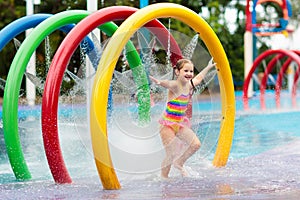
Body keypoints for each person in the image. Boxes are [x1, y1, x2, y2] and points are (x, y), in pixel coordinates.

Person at [149, 58, 216, 178]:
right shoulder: (175, 86)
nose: (189, 74)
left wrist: (208, 67)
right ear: (177, 72)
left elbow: (199, 79)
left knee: (195, 144)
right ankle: (164, 178)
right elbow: (168, 83)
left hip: (180, 124)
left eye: (191, 71)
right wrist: (159, 82)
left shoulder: (189, 86)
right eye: (186, 71)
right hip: (167, 124)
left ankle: (179, 163)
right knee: (171, 153)